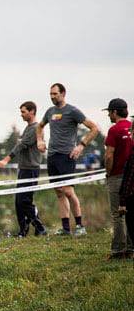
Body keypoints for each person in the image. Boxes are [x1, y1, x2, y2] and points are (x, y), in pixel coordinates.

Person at [36, 83, 100, 236]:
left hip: (67, 156)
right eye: (50, 94)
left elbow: (94, 128)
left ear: (63, 93)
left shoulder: (72, 111)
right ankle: (65, 229)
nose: (52, 97)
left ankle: (80, 226)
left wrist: (81, 146)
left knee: (68, 191)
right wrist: (40, 141)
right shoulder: (50, 111)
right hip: (52, 156)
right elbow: (39, 127)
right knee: (59, 192)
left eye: (55, 94)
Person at [0, 101, 46, 237]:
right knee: (19, 202)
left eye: (23, 112)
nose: (21, 115)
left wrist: (6, 160)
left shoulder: (35, 128)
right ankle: (23, 231)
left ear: (32, 112)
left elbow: (21, 145)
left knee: (24, 201)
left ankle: (40, 227)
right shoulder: (28, 128)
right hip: (24, 169)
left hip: (31, 169)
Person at [103, 98, 133, 259]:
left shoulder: (114, 130)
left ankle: (118, 250)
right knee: (130, 212)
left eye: (109, 111)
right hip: (132, 177)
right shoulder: (131, 127)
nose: (108, 114)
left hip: (117, 176)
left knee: (117, 214)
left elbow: (109, 155)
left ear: (115, 112)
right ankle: (130, 248)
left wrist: (108, 173)